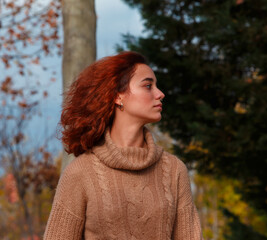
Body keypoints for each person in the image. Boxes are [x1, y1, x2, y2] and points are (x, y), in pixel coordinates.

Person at [43, 51, 203, 239]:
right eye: (148, 86)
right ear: (118, 96)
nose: (160, 94)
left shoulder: (175, 171)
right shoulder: (80, 173)